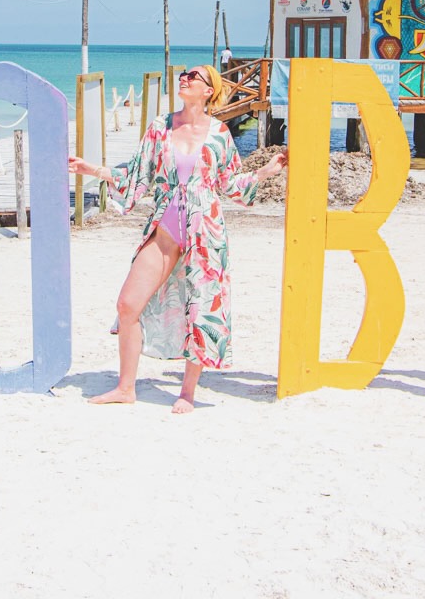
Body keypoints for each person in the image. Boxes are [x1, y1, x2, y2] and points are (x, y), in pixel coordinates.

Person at [68, 64, 287, 413]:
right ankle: (126, 388)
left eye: (194, 76)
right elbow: (138, 173)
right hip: (166, 225)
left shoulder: (219, 134)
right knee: (127, 305)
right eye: (184, 73)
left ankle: (187, 392)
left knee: (200, 308)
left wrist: (264, 172)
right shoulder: (160, 127)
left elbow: (230, 185)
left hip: (206, 230)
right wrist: (93, 169)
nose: (185, 78)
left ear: (209, 90)